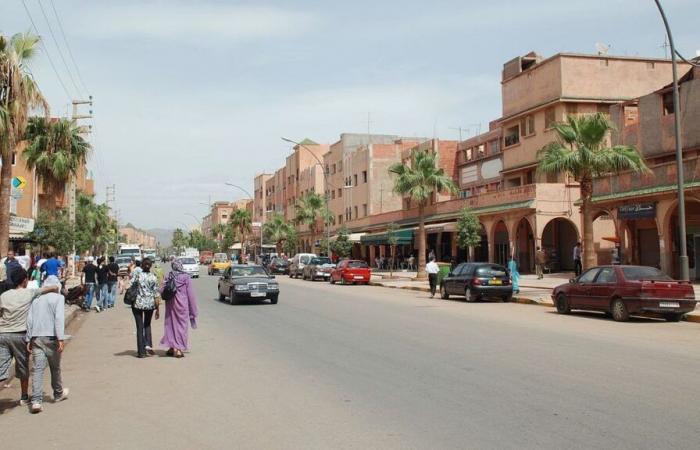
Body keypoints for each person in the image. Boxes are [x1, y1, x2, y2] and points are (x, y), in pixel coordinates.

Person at [0, 268, 59, 407]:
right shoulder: (29, 293)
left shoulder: (4, 296)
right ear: (25, 280)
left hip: (2, 335)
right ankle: (24, 396)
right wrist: (56, 287)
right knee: (22, 367)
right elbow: (47, 289)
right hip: (20, 335)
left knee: (1, 369)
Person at [25, 276, 69, 413]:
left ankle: (36, 401)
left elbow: (30, 319)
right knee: (55, 367)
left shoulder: (36, 299)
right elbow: (59, 319)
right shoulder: (59, 299)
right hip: (51, 338)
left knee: (37, 369)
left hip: (37, 338)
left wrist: (28, 339)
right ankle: (58, 393)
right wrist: (60, 338)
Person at [160, 260, 199, 358]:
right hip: (182, 306)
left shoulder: (169, 275)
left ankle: (171, 347)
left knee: (170, 325)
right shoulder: (185, 277)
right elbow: (191, 295)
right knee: (181, 326)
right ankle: (178, 349)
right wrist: (193, 310)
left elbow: (162, 289)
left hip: (170, 305)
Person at [130, 258, 159, 358]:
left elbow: (130, 285)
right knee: (147, 324)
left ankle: (141, 352)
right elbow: (156, 294)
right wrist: (157, 309)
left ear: (141, 265)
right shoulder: (153, 277)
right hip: (150, 304)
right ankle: (148, 345)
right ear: (150, 266)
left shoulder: (138, 275)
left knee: (139, 327)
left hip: (138, 304)